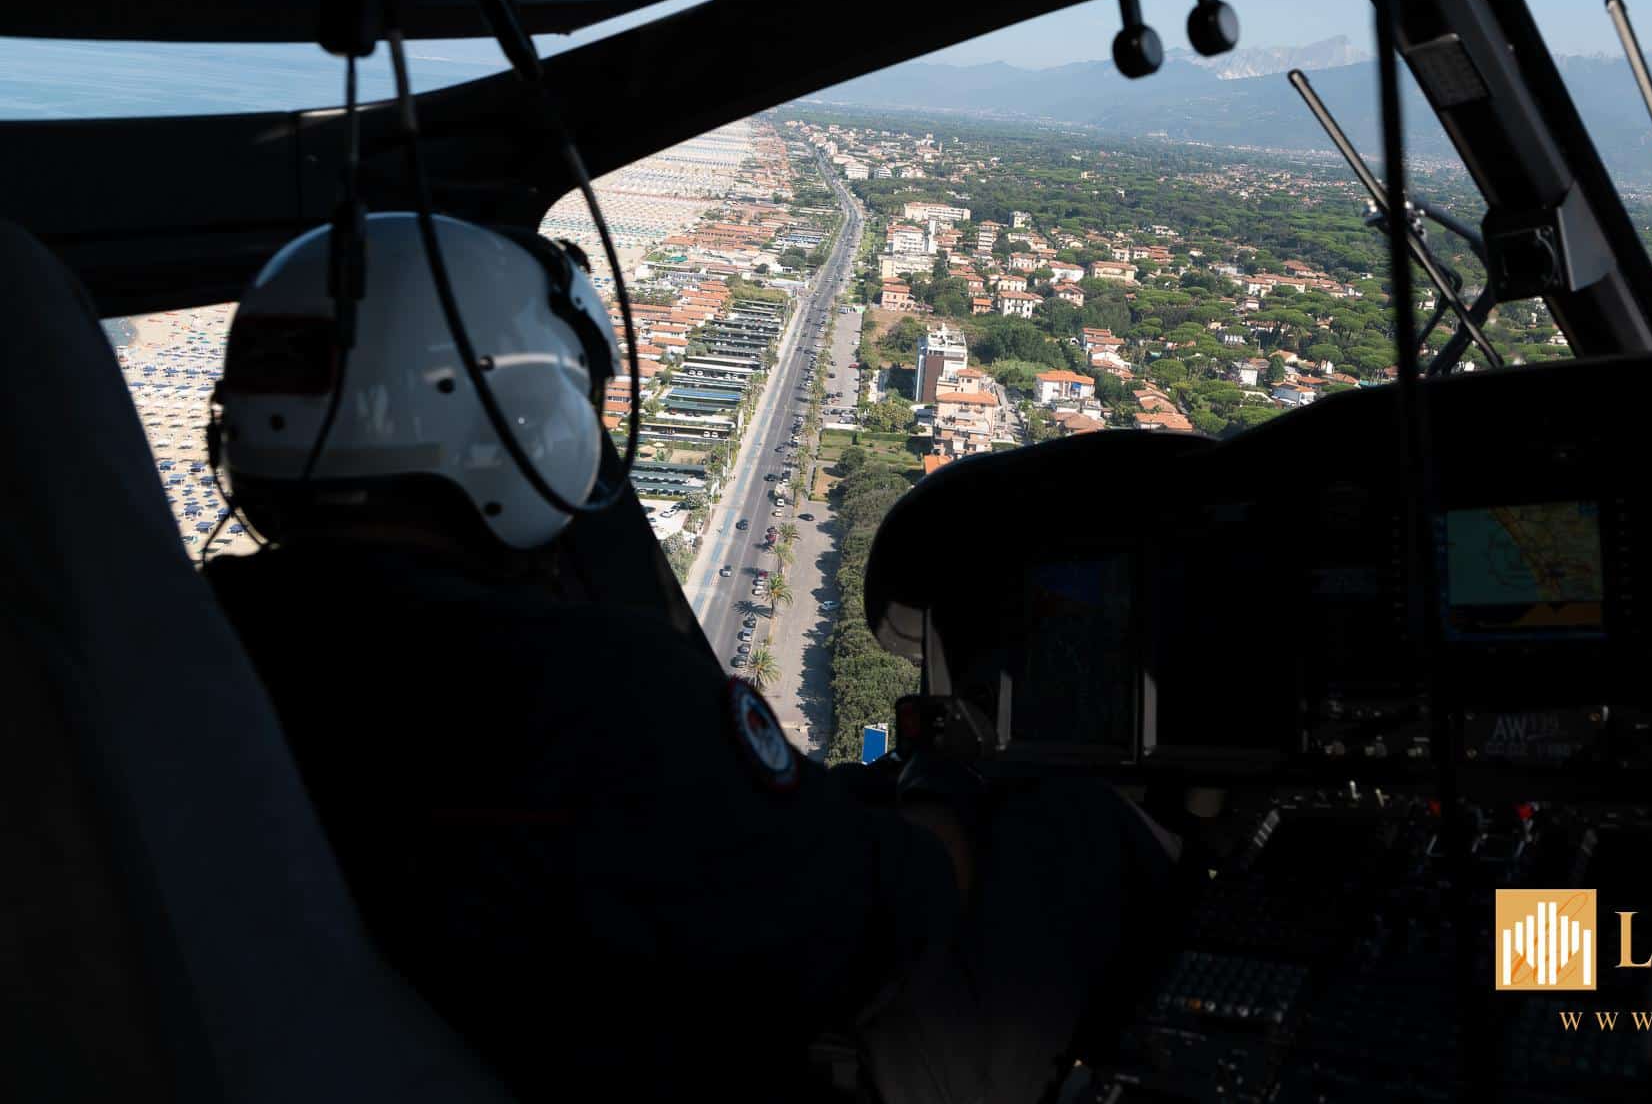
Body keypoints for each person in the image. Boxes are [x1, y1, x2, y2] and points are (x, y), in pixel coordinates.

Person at [202, 212, 1176, 1103]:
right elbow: (887, 906)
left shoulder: (197, 640)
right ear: (526, 420)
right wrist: (958, 789)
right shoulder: (584, 689)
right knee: (1070, 835)